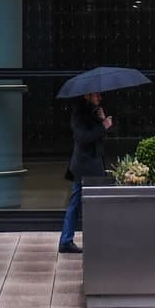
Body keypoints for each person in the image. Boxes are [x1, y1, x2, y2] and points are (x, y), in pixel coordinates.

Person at [59, 92, 110, 256]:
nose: (99, 98)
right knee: (83, 203)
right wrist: (103, 126)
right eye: (96, 95)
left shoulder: (92, 112)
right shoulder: (79, 113)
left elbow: (97, 137)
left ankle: (67, 240)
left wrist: (102, 120)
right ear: (87, 96)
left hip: (91, 165)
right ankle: (68, 240)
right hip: (85, 166)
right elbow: (83, 137)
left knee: (80, 203)